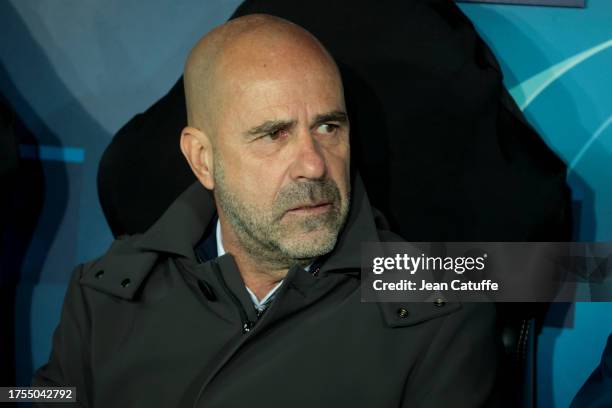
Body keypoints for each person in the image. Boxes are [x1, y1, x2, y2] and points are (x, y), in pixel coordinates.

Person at [33, 14, 501, 407]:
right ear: (203, 159)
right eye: (274, 134)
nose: (314, 164)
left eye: (328, 126)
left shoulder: (439, 304)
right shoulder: (104, 294)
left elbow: (572, 273)